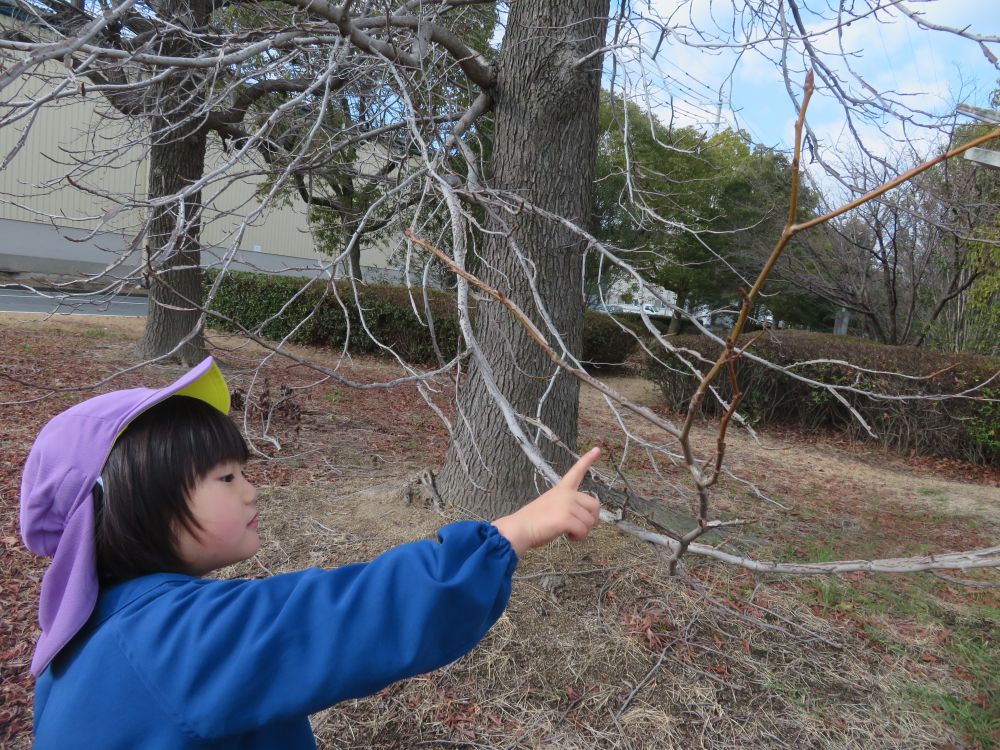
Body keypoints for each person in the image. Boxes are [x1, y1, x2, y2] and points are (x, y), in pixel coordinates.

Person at [19, 357, 602, 749]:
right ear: (139, 502)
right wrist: (512, 532)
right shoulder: (168, 640)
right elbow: (344, 614)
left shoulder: (85, 639)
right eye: (225, 478)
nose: (252, 489)